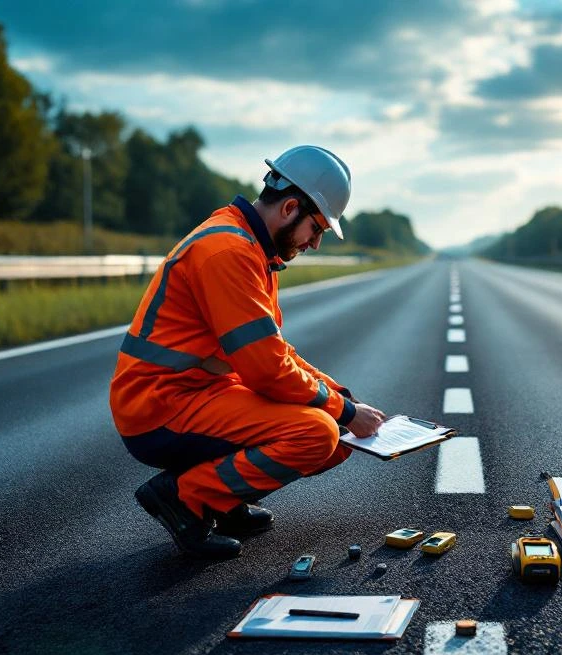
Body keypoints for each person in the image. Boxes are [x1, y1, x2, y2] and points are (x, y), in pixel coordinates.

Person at [109, 145, 386, 559]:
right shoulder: (228, 251)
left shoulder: (254, 249)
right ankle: (186, 498)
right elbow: (268, 371)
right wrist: (343, 412)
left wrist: (340, 397)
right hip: (158, 406)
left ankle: (224, 500)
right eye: (317, 230)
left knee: (340, 435)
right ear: (291, 207)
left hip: (200, 392)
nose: (313, 244)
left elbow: (274, 351)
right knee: (318, 432)